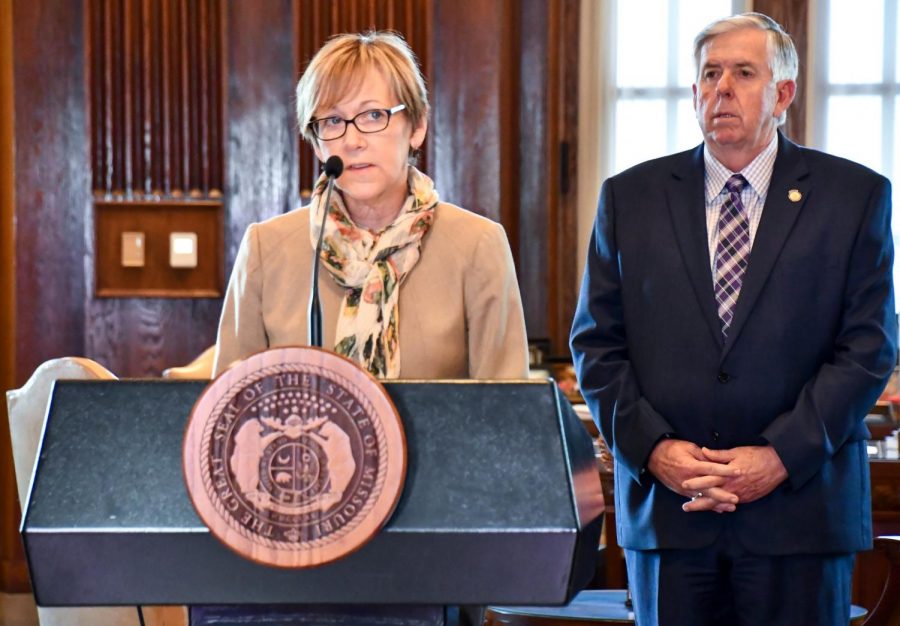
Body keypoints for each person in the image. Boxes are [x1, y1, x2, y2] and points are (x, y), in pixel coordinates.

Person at [570, 12, 896, 626]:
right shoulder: (629, 198)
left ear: (783, 94)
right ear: (694, 92)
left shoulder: (854, 197)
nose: (722, 89)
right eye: (710, 74)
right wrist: (656, 450)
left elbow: (868, 348)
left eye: (744, 73)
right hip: (672, 512)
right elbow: (596, 345)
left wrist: (778, 457)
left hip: (799, 514)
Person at [213, 30, 528, 380]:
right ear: (316, 144)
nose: (352, 140)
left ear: (417, 126)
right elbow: (230, 409)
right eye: (332, 121)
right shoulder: (266, 249)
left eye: (374, 116)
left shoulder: (477, 245)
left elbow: (506, 417)